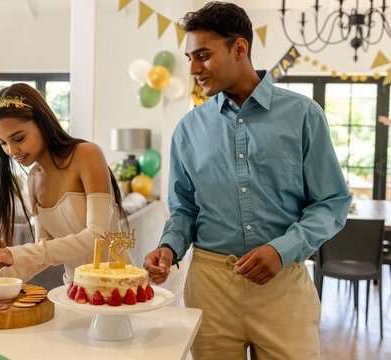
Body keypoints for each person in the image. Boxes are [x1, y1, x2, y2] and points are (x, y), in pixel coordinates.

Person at [143, 2, 351, 359]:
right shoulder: (189, 129)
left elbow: (331, 202)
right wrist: (169, 248)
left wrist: (281, 250)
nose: (193, 68)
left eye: (203, 56)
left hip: (283, 284)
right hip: (210, 290)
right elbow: (184, 209)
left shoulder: (304, 116)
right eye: (190, 57)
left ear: (240, 48)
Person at [0, 83, 131, 284]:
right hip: (73, 292)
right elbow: (42, 253)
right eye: (2, 143)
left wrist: (18, 253)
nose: (11, 151)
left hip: (120, 290)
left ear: (42, 122)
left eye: (18, 138)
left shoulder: (86, 154)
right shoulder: (34, 180)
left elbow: (99, 236)